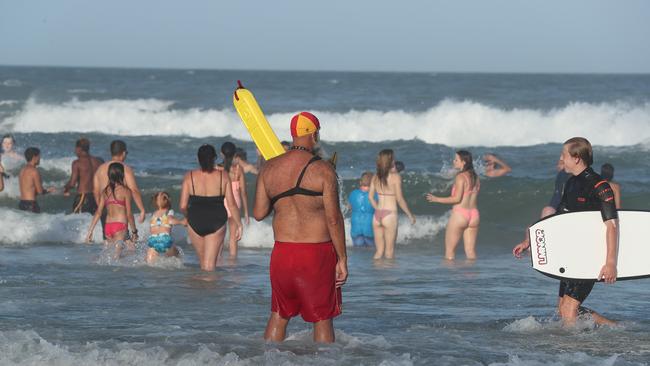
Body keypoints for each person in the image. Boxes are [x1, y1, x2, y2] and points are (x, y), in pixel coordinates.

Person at [253, 111, 347, 343]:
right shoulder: (324, 170)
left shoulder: (269, 168)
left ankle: (267, 360)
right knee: (322, 317)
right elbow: (334, 219)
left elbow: (258, 213)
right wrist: (342, 259)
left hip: (282, 253)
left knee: (279, 314)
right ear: (314, 134)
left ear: (293, 135)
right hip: (315, 254)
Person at [513, 137, 618, 326]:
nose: (561, 160)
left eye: (564, 156)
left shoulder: (600, 186)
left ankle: (570, 350)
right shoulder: (571, 183)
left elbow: (612, 225)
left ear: (576, 157)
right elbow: (557, 218)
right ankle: (614, 328)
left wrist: (610, 263)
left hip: (590, 254)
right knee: (562, 308)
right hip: (573, 254)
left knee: (569, 309)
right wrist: (530, 238)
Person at [180, 144, 242, 271]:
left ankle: (201, 289)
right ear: (214, 158)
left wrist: (187, 217)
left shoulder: (189, 176)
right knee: (210, 266)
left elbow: (182, 206)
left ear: (198, 159)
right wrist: (239, 224)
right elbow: (231, 204)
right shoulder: (223, 176)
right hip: (216, 221)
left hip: (195, 221)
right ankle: (211, 290)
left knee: (203, 264)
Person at [426, 150, 480, 261]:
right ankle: (473, 276)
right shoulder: (476, 177)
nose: (453, 161)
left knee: (449, 252)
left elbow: (457, 199)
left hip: (461, 214)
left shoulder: (460, 177)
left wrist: (436, 199)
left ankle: (450, 278)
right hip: (474, 215)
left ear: (463, 162)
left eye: (456, 160)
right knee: (470, 252)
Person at [368, 149, 416, 259]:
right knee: (389, 252)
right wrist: (409, 214)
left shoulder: (375, 177)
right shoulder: (395, 177)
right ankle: (389, 276)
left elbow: (370, 197)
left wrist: (378, 209)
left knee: (379, 252)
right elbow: (399, 199)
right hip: (390, 215)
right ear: (390, 161)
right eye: (393, 158)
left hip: (377, 216)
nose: (395, 160)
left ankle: (375, 274)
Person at [86, 163, 138, 257]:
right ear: (122, 174)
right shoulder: (126, 191)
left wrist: (90, 231)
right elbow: (129, 214)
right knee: (118, 256)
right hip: (120, 226)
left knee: (129, 249)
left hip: (108, 228)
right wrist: (134, 231)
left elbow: (98, 212)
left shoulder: (105, 191)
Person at [93, 140, 146, 225]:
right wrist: (142, 210)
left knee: (107, 236)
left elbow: (95, 192)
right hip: (120, 211)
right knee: (121, 236)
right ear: (124, 153)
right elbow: (134, 190)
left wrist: (101, 208)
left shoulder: (100, 170)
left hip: (105, 209)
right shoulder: (125, 169)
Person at [221, 141, 249, 258]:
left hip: (222, 203)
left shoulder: (218, 169)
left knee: (220, 236)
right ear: (234, 154)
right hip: (235, 203)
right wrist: (246, 213)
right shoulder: (238, 169)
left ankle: (219, 260)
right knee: (233, 237)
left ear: (222, 154)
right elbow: (243, 192)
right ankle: (233, 262)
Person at [63, 138, 103, 214]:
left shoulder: (77, 163)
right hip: (97, 197)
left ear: (79, 149)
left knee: (78, 223)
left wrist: (66, 188)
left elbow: (72, 183)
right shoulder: (99, 161)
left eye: (75, 148)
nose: (74, 151)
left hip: (83, 197)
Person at [146, 191, 186, 264]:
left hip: (153, 241)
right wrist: (181, 222)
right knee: (177, 257)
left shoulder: (154, 214)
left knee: (149, 263)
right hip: (165, 240)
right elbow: (170, 220)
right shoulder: (169, 212)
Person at [18, 147, 56, 213]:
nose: (39, 159)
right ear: (34, 157)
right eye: (39, 156)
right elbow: (40, 191)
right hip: (31, 205)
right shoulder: (34, 171)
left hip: (22, 203)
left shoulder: (22, 170)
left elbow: (29, 187)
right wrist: (48, 190)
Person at [348, 172, 375, 247]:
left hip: (356, 226)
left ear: (360, 182)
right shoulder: (375, 195)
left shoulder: (353, 193)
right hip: (369, 227)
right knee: (371, 250)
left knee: (358, 250)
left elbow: (349, 207)